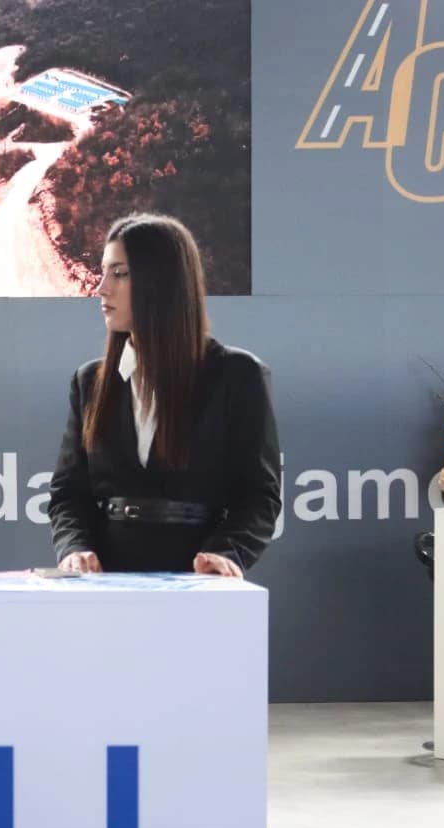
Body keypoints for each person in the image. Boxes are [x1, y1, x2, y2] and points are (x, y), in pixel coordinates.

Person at [49, 213, 281, 576]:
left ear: (162, 283)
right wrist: (75, 549)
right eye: (103, 272)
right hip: (105, 586)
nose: (101, 288)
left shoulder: (238, 375)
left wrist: (226, 553)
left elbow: (259, 498)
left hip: (198, 584)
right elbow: (68, 496)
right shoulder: (89, 382)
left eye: (120, 274)